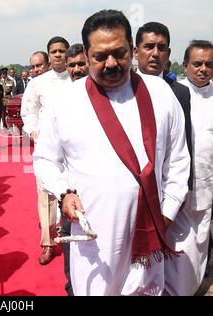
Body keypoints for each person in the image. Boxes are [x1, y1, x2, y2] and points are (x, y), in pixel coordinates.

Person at [33, 9, 190, 296]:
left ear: (131, 49)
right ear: (88, 54)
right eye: (100, 56)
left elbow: (178, 162)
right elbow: (45, 159)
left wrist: (164, 216)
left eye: (119, 53)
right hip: (94, 239)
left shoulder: (160, 93)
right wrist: (64, 193)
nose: (111, 63)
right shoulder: (65, 100)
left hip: (150, 235)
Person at [165, 40, 213, 296]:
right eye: (197, 63)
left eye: (209, 64)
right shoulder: (175, 94)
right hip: (179, 190)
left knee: (201, 245)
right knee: (180, 249)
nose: (203, 69)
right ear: (185, 65)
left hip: (207, 187)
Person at [21, 36, 71, 268]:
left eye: (62, 51)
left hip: (74, 147)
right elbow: (28, 111)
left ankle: (75, 238)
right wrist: (33, 131)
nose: (58, 54)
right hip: (46, 147)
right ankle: (48, 244)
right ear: (49, 56)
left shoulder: (78, 77)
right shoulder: (37, 83)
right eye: (54, 51)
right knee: (46, 196)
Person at [134, 21, 193, 190]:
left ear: (168, 54)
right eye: (149, 47)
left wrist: (183, 188)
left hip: (166, 187)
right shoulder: (121, 88)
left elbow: (184, 144)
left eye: (161, 48)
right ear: (136, 52)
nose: (155, 53)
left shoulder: (180, 92)